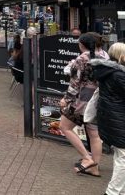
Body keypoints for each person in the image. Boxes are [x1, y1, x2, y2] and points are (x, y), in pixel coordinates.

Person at [59, 32, 105, 177]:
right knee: (94, 134)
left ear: (82, 45)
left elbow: (75, 83)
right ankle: (94, 167)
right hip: (98, 99)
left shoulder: (82, 59)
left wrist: (66, 99)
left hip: (82, 100)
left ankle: (87, 158)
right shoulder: (104, 56)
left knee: (64, 127)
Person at [90, 42, 125, 193]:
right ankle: (112, 191)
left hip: (111, 119)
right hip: (118, 120)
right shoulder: (119, 75)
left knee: (120, 155)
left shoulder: (106, 71)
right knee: (123, 158)